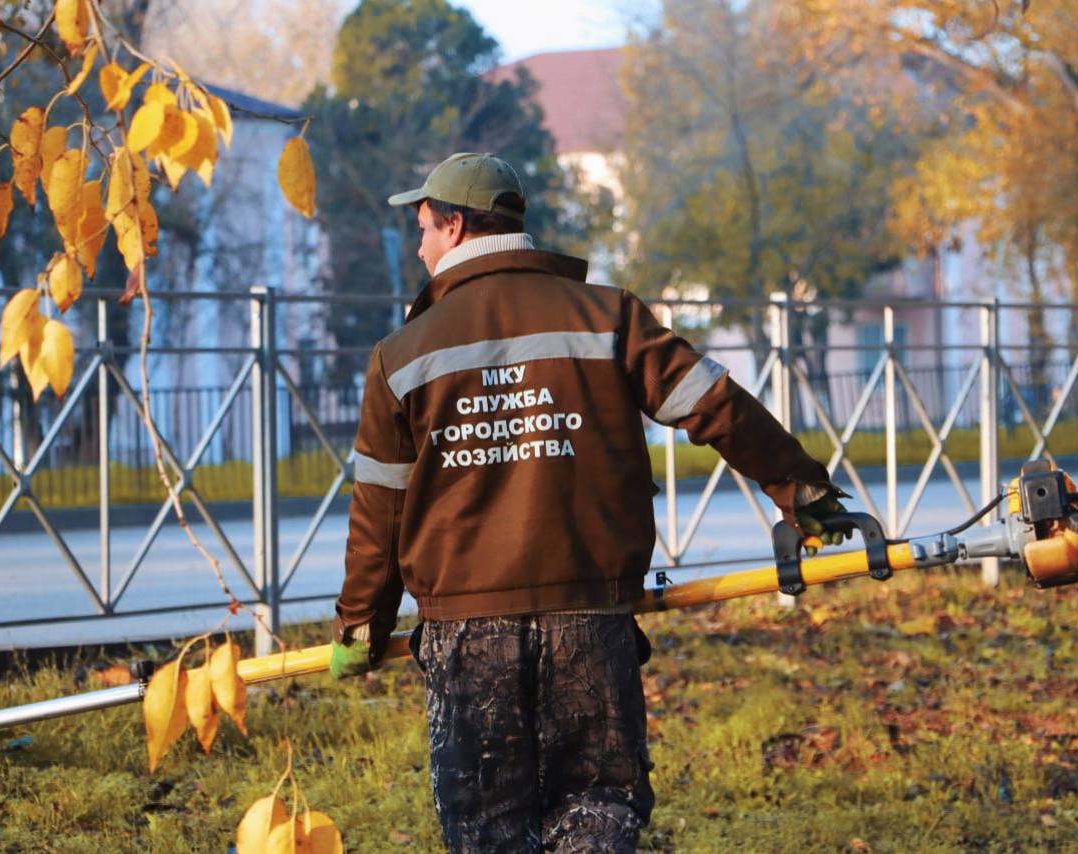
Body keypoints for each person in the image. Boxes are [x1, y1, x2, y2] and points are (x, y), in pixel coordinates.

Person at [328, 152, 846, 851]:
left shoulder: (402, 353)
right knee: (596, 814)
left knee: (487, 828)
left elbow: (380, 508)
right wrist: (800, 488)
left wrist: (361, 624)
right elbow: (712, 403)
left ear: (453, 226)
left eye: (422, 227)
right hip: (592, 619)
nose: (419, 246)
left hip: (467, 634)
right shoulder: (608, 316)